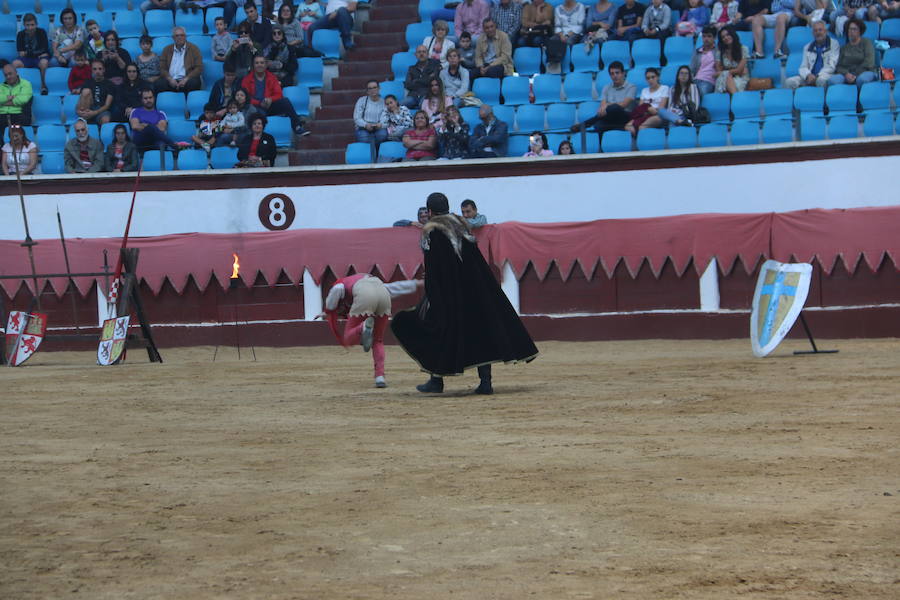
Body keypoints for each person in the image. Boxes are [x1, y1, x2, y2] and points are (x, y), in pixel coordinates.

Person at [391, 192, 538, 395]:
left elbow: (435, 268)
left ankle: (436, 380)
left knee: (436, 328)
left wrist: (432, 295)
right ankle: (485, 383)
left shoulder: (432, 232)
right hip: (477, 289)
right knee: (482, 331)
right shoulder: (461, 226)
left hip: (448, 293)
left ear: (430, 211)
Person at [319, 274, 422, 388]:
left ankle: (362, 327)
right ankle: (380, 377)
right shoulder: (372, 281)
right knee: (378, 340)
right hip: (384, 295)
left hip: (364, 296)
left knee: (348, 337)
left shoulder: (341, 284)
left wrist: (328, 311)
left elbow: (336, 292)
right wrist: (415, 284)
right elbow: (395, 287)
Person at [241, 55, 308, 135]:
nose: (259, 65)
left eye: (262, 63)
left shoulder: (271, 77)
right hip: (254, 107)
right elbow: (245, 97)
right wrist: (259, 103)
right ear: (253, 65)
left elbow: (279, 94)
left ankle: (297, 127)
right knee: (256, 112)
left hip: (269, 105)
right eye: (257, 63)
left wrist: (270, 99)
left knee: (285, 101)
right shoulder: (246, 79)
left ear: (266, 65)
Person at [570, 61, 636, 138]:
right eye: (612, 74)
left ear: (623, 73)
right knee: (598, 126)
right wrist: (604, 107)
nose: (615, 76)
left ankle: (584, 125)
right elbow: (602, 107)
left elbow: (623, 105)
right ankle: (601, 147)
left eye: (617, 73)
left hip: (625, 117)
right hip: (610, 117)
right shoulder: (606, 88)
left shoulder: (631, 87)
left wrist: (608, 105)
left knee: (615, 107)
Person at [784, 20, 838, 89]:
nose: (818, 32)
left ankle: (821, 99)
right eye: (815, 31)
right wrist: (808, 75)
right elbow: (803, 67)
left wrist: (817, 76)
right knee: (789, 82)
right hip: (809, 77)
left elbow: (831, 66)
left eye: (820, 30)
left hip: (825, 75)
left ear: (825, 31)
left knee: (821, 80)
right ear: (812, 33)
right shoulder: (807, 47)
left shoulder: (834, 44)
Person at [155, 26, 204, 94]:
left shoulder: (194, 49)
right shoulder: (166, 49)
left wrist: (186, 79)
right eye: (177, 35)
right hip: (171, 80)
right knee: (158, 84)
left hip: (187, 80)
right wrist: (169, 79)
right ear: (173, 37)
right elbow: (162, 68)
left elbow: (199, 68)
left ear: (185, 36)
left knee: (194, 83)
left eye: (182, 35)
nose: (179, 37)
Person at [829, 18, 876, 87]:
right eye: (850, 29)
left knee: (861, 79)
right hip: (847, 74)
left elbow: (869, 62)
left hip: (865, 71)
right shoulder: (844, 48)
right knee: (833, 80)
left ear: (860, 31)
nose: (851, 31)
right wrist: (846, 74)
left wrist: (855, 74)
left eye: (854, 29)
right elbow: (839, 66)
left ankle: (860, 97)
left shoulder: (866, 43)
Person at [13, 13, 51, 95]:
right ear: (24, 25)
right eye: (27, 25)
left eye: (32, 25)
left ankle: (43, 85)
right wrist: (38, 53)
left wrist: (27, 53)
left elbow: (44, 48)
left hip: (39, 59)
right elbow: (20, 52)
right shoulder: (20, 34)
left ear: (36, 24)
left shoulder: (42, 32)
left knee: (44, 63)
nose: (30, 27)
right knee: (15, 64)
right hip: (28, 58)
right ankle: (16, 87)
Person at [624, 67, 669, 134]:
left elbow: (661, 108)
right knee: (627, 127)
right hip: (645, 114)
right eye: (648, 78)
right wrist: (648, 109)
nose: (650, 80)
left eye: (653, 77)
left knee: (642, 127)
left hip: (657, 116)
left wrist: (650, 109)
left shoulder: (664, 88)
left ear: (658, 77)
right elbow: (640, 107)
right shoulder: (644, 91)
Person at [76, 60, 114, 125]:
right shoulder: (87, 82)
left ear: (104, 70)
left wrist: (95, 112)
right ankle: (83, 119)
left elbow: (107, 105)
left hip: (102, 110)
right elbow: (80, 99)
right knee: (86, 91)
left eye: (100, 69)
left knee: (106, 120)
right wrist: (78, 110)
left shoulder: (110, 84)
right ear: (92, 70)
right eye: (95, 69)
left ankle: (100, 133)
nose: (97, 71)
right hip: (88, 108)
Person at [714, 25, 749, 94]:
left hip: (740, 77)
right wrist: (732, 71)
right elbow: (718, 69)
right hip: (725, 77)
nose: (726, 38)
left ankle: (735, 98)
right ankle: (736, 99)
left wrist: (724, 71)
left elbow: (739, 70)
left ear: (732, 35)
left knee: (726, 77)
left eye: (727, 35)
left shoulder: (743, 49)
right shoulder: (720, 52)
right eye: (723, 37)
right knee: (726, 77)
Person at [354, 79, 386, 144]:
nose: (372, 90)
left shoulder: (384, 102)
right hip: (363, 127)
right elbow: (357, 118)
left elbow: (385, 116)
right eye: (370, 88)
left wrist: (380, 124)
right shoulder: (361, 100)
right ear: (367, 91)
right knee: (364, 138)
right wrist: (365, 125)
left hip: (378, 127)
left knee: (383, 135)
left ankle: (376, 149)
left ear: (379, 88)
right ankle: (372, 151)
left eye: (374, 87)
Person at [691, 25, 718, 96]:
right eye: (704, 36)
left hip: (709, 81)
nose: (706, 39)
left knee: (701, 92)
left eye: (709, 36)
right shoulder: (697, 51)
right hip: (696, 80)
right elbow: (692, 69)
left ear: (714, 38)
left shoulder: (718, 51)